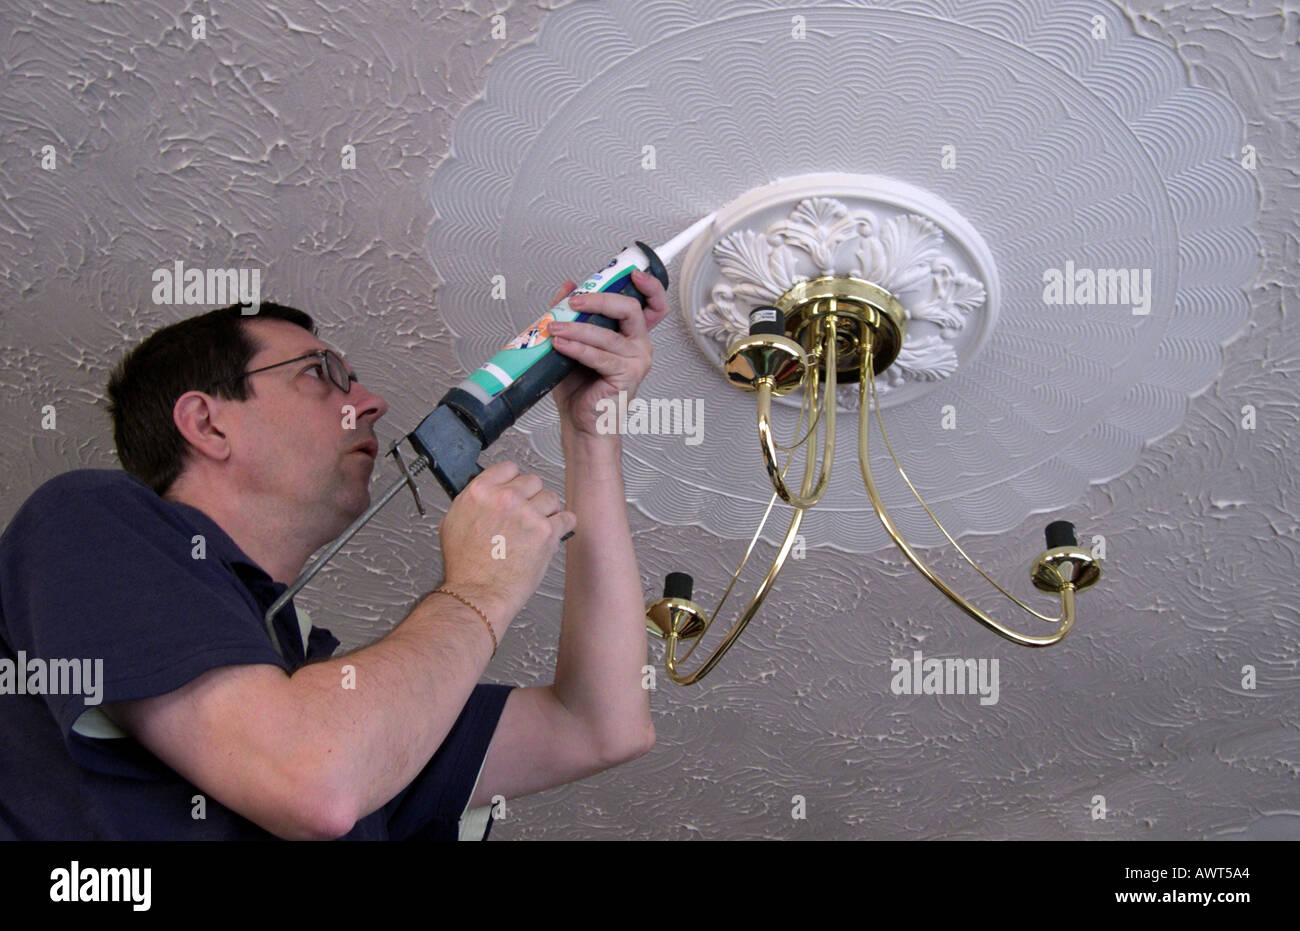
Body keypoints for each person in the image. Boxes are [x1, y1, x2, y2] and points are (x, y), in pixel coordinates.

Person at [0, 273, 667, 839]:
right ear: (208, 423)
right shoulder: (91, 519)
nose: (371, 403)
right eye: (323, 375)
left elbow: (602, 723)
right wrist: (479, 591)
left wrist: (592, 433)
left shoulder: (349, 695)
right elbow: (314, 778)